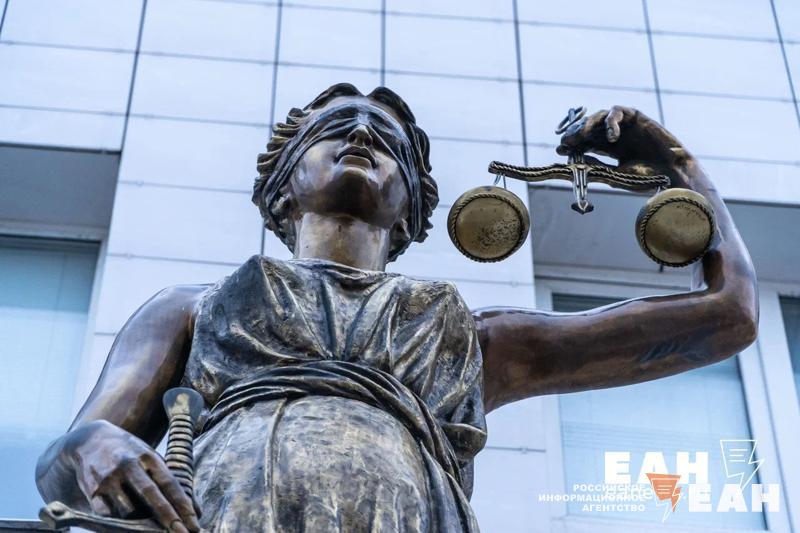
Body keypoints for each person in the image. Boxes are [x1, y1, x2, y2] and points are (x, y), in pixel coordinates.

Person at [35, 84, 758, 532]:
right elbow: (64, 464)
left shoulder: (464, 339)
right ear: (281, 188)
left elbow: (729, 316)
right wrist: (92, 446)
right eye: (335, 129)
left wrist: (678, 166)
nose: (360, 137)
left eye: (385, 142)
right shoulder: (196, 311)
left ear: (411, 209)